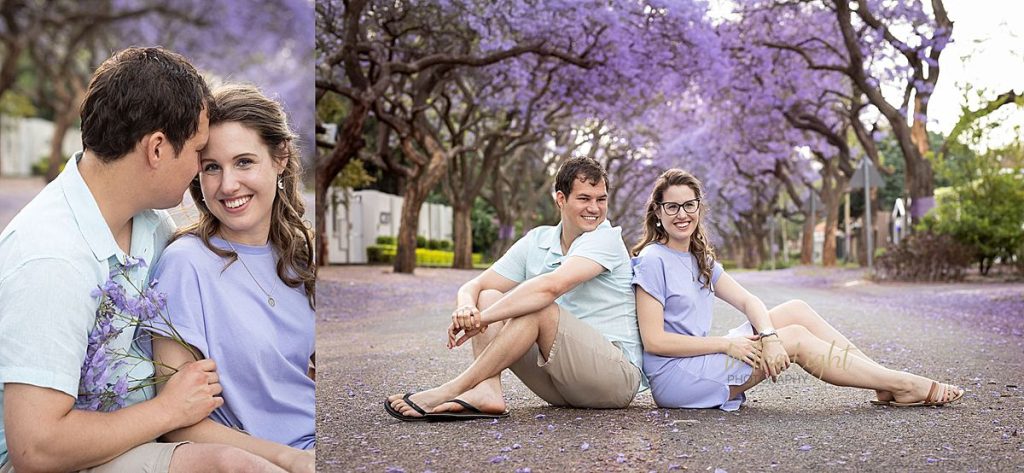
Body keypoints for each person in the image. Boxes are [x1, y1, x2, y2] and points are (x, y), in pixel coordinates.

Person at [0, 47, 283, 472]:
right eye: (198, 152)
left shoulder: (149, 223)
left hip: (130, 437)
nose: (199, 170)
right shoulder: (51, 259)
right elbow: (34, 449)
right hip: (55, 459)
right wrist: (167, 410)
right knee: (232, 467)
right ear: (157, 149)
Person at [630, 169, 964, 411]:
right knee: (796, 338)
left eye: (689, 205)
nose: (682, 214)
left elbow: (748, 300)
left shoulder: (698, 258)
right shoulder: (652, 260)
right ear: (658, 212)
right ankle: (903, 384)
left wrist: (769, 336)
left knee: (796, 311)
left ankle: (885, 382)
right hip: (677, 377)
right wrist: (727, 344)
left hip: (702, 359)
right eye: (672, 207)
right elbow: (656, 342)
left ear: (699, 208)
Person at [385, 156, 644, 421]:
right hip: (561, 386)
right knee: (487, 296)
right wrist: (467, 307)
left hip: (614, 380)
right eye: (584, 198)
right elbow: (476, 285)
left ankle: (451, 389)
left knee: (539, 309)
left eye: (601, 199)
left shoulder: (605, 238)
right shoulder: (539, 240)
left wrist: (482, 319)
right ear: (561, 199)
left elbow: (550, 287)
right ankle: (487, 391)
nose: (595, 208)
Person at [147, 84, 315, 472]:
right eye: (211, 167)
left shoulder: (299, 258)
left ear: (280, 159)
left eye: (244, 162)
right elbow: (179, 423)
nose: (227, 185)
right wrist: (289, 458)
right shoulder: (185, 265)